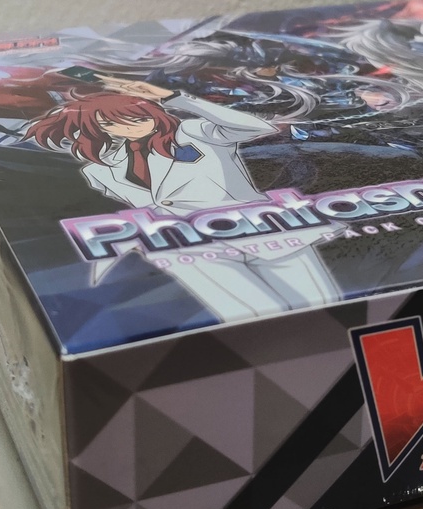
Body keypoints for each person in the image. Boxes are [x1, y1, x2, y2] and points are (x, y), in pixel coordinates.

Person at [24, 74, 341, 324]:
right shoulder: (99, 170)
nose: (127, 127)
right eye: (111, 123)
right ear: (99, 129)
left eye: (135, 117)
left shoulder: (193, 132)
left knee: (323, 314)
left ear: (151, 112)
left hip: (264, 232)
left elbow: (255, 127)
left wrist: (175, 98)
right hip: (190, 248)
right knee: (252, 322)